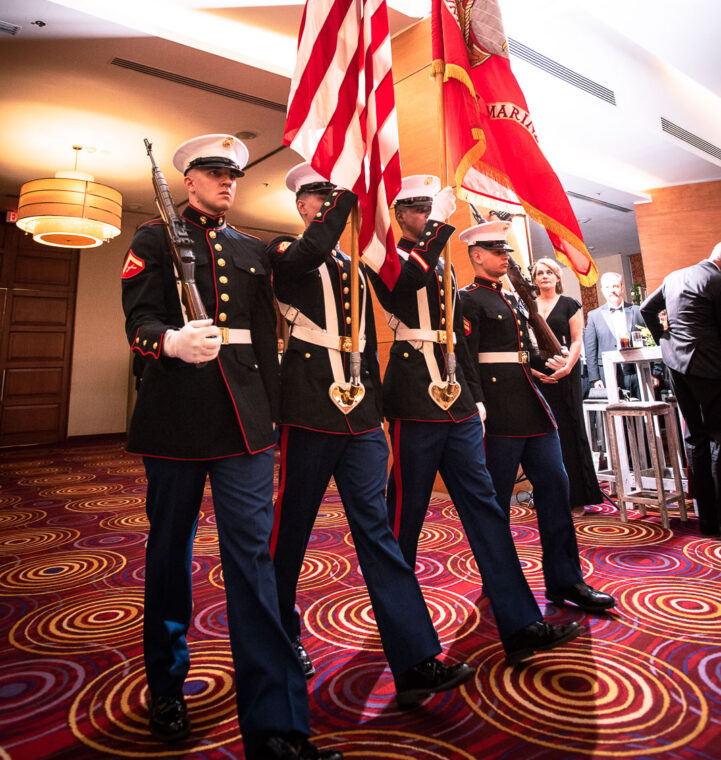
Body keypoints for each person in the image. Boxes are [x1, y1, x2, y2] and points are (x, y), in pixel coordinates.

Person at [121, 135, 341, 760]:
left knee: (253, 566)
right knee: (169, 555)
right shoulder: (152, 239)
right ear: (188, 180)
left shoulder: (252, 247)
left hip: (246, 422)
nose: (226, 182)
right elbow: (137, 321)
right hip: (177, 421)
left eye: (233, 174)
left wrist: (344, 192)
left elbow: (307, 257)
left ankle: (277, 725)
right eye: (214, 173)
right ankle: (166, 684)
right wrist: (167, 343)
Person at [268, 164, 473, 709]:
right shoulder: (286, 253)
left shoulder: (357, 265)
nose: (326, 204)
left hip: (360, 416)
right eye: (316, 196)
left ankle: (413, 658)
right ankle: (280, 633)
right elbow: (310, 251)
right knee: (291, 532)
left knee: (379, 535)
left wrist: (377, 410)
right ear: (302, 206)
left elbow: (371, 334)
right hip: (310, 406)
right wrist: (348, 198)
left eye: (331, 198)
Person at [367, 177, 582, 665]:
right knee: (404, 520)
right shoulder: (387, 257)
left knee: (487, 512)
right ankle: (409, 647)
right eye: (418, 208)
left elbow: (456, 340)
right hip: (415, 398)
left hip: (456, 401)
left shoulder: (439, 259)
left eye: (431, 207)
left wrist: (473, 395)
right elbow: (405, 289)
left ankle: (521, 622)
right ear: (400, 215)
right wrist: (439, 225)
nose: (427, 213)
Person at [459, 221, 616, 614]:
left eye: (506, 250)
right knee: (494, 504)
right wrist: (477, 404)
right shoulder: (466, 299)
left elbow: (527, 349)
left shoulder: (513, 299)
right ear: (477, 255)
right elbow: (464, 360)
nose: (505, 256)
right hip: (497, 414)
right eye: (497, 250)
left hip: (534, 405)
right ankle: (499, 580)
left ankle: (566, 579)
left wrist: (558, 363)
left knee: (556, 491)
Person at [641, 244, 721, 537]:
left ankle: (707, 521)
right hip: (711, 367)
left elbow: (646, 309)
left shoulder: (674, 276)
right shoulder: (715, 279)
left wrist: (664, 337)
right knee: (718, 439)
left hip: (676, 365)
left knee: (695, 438)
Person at [530, 258, 604, 516]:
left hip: (566, 375)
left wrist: (567, 368)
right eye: (539, 273)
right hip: (536, 376)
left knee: (569, 434)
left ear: (557, 277)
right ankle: (549, 496)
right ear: (534, 279)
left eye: (549, 272)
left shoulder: (570, 304)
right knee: (541, 437)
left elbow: (576, 341)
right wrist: (533, 371)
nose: (544, 276)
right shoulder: (527, 307)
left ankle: (577, 498)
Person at [584, 272, 649, 395]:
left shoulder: (637, 311)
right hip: (608, 373)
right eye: (607, 287)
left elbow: (650, 340)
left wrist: (654, 373)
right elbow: (590, 349)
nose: (612, 290)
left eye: (615, 286)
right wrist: (595, 378)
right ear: (603, 290)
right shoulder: (594, 316)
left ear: (622, 288)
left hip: (637, 370)